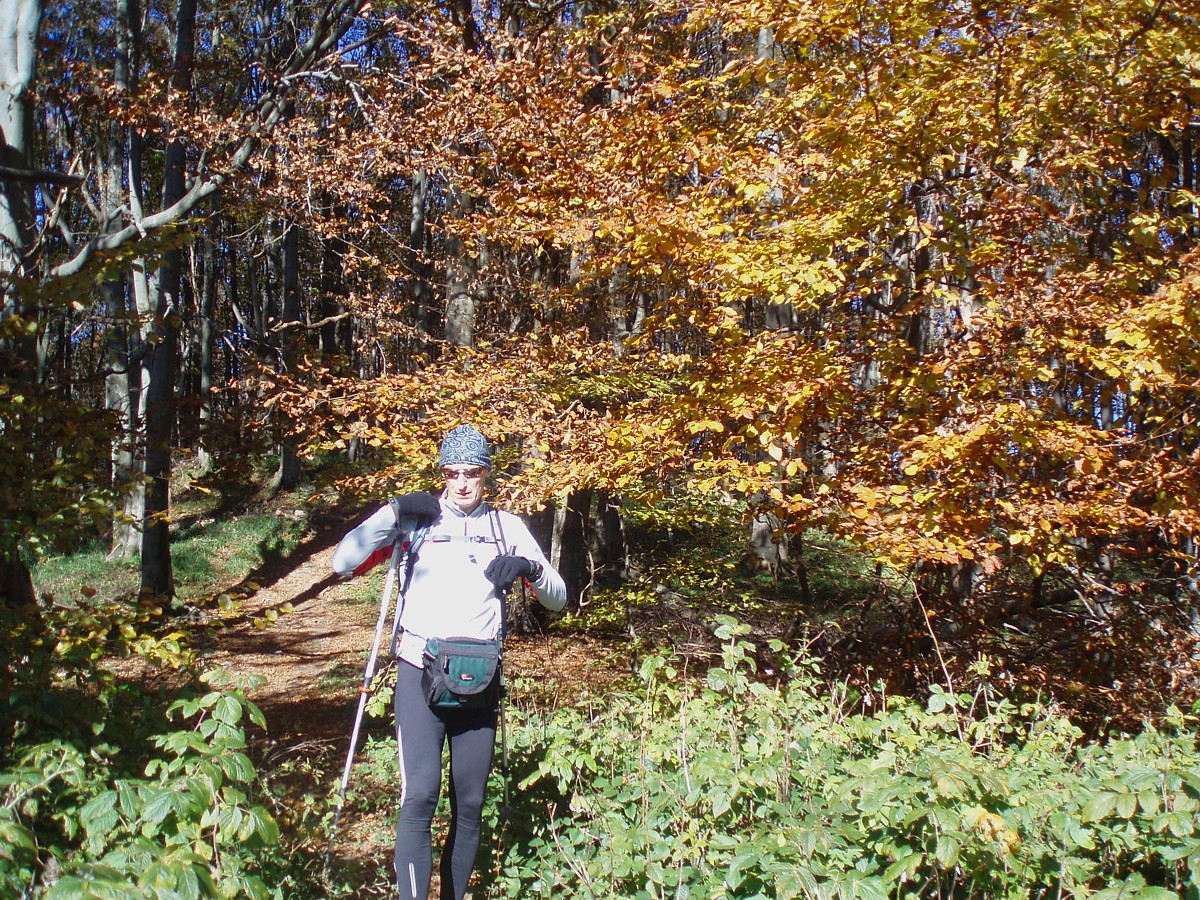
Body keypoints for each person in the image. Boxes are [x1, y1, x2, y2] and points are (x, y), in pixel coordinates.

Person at [332, 424, 566, 900]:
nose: (462, 483)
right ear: (442, 473)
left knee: (471, 803)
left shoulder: (506, 528)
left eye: (472, 472)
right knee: (419, 796)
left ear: (487, 475)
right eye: (452, 472)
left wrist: (530, 568)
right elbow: (342, 562)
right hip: (419, 672)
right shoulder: (417, 522)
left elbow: (557, 598)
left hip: (479, 677)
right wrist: (392, 511)